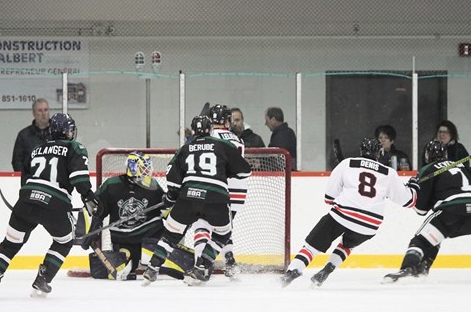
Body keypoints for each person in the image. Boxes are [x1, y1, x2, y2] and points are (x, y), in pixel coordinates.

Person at [0, 113, 99, 298]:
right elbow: (79, 178)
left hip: (26, 202)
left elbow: (25, 180)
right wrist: (88, 196)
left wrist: (30, 201)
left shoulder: (36, 149)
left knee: (10, 243)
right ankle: (43, 279)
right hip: (54, 205)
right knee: (65, 241)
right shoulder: (75, 147)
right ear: (68, 132)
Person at [280, 138, 418, 288]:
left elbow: (329, 197)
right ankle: (327, 269)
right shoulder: (388, 173)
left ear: (361, 151)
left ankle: (293, 271)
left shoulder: (348, 163)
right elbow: (409, 201)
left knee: (312, 247)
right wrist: (413, 186)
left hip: (343, 214)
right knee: (347, 245)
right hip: (370, 225)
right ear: (379, 154)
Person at [142, 115, 251, 286]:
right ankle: (202, 265)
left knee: (171, 234)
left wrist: (171, 197)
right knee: (223, 234)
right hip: (216, 197)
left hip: (188, 197)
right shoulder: (223, 145)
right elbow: (245, 171)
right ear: (210, 130)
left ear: (193, 131)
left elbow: (171, 177)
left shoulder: (185, 148)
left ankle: (152, 268)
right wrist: (224, 171)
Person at [383, 140, 471, 283]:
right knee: (436, 236)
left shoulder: (428, 169)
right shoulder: (461, 166)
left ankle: (408, 268)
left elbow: (421, 210)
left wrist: (416, 186)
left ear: (427, 155)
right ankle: (423, 267)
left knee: (421, 240)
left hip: (451, 211)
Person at [81, 151, 167, 280]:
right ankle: (126, 256)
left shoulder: (152, 185)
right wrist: (91, 229)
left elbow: (164, 210)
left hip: (148, 234)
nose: (148, 171)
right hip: (123, 237)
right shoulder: (112, 185)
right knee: (127, 261)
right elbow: (95, 208)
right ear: (133, 168)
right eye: (144, 168)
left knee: (170, 262)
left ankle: (143, 258)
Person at [192, 104, 248, 281]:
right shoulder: (238, 139)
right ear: (227, 120)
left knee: (201, 223)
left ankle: (201, 264)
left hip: (214, 187)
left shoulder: (209, 136)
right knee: (223, 228)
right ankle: (230, 261)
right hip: (238, 191)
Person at [12, 98, 51, 183]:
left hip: (54, 182)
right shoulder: (24, 135)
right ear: (34, 113)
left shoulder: (57, 133)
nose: (43, 113)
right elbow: (17, 161)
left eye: (46, 110)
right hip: (31, 182)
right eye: (40, 110)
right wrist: (26, 179)